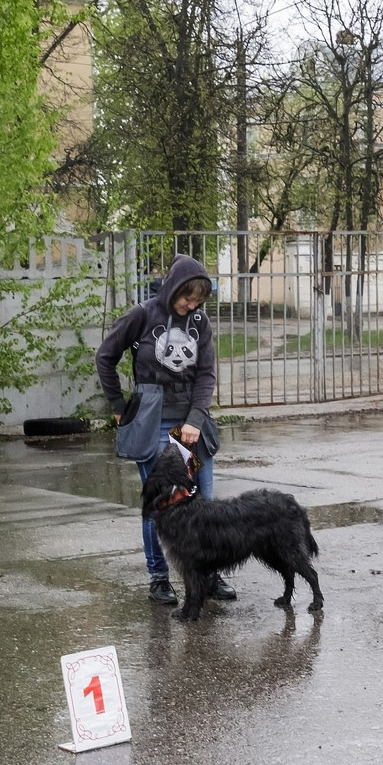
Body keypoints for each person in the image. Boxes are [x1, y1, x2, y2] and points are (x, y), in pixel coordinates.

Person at [96, 254, 224, 608]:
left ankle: (207, 576)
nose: (191, 305)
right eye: (187, 297)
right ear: (172, 289)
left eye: (198, 299)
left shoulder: (199, 321)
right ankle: (159, 579)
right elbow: (105, 356)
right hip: (153, 424)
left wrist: (196, 420)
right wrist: (119, 408)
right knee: (160, 506)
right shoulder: (143, 316)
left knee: (203, 503)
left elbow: (206, 374)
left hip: (191, 429)